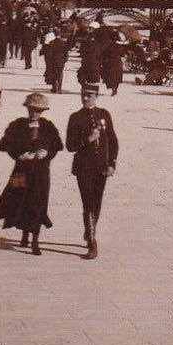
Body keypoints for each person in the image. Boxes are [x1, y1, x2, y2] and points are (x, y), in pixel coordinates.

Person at [0, 92, 64, 255]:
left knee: (38, 203)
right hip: (20, 172)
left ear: (43, 112)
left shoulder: (48, 126)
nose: (34, 114)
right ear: (27, 109)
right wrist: (19, 156)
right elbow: (4, 145)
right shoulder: (17, 125)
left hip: (41, 173)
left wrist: (47, 154)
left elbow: (57, 146)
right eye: (32, 110)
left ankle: (35, 241)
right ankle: (24, 234)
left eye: (38, 111)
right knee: (19, 201)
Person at [65, 86, 119, 259]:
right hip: (84, 168)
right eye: (83, 96)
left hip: (101, 167)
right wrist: (88, 139)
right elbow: (70, 145)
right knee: (88, 202)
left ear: (96, 96)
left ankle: (90, 230)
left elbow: (113, 141)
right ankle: (92, 242)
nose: (86, 99)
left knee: (97, 202)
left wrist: (112, 164)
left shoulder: (104, 114)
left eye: (90, 96)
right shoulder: (75, 118)